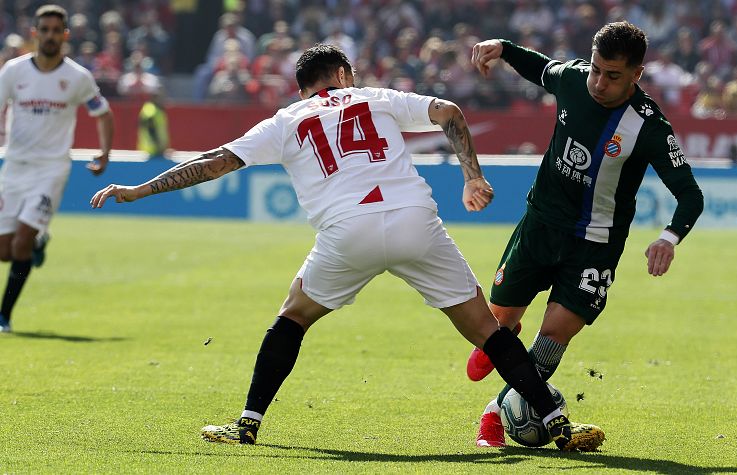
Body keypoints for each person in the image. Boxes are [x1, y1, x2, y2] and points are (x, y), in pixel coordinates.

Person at [90, 44, 604, 451]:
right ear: (339, 75)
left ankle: (248, 423)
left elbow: (215, 162)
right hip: (413, 222)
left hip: (347, 232)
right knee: (487, 330)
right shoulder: (374, 98)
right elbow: (448, 111)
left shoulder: (286, 121)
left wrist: (139, 188)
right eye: (350, 72)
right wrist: (472, 176)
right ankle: (557, 420)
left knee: (292, 318)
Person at [466, 21, 704, 447]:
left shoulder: (649, 127)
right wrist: (501, 46)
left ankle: (495, 415)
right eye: (596, 69)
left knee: (554, 336)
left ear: (637, 74)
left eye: (613, 75)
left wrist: (668, 238)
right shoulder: (574, 80)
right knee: (498, 322)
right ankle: (505, 334)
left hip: (595, 245)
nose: (599, 82)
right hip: (540, 224)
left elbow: (690, 195)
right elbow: (539, 67)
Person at [0, 5, 114, 333]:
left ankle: (4, 315)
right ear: (34, 33)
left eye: (56, 31)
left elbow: (103, 114)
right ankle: (39, 241)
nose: (50, 36)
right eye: (44, 30)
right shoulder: (13, 71)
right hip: (15, 167)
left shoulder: (77, 77)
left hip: (51, 169)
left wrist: (104, 153)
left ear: (65, 35)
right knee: (5, 251)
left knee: (20, 242)